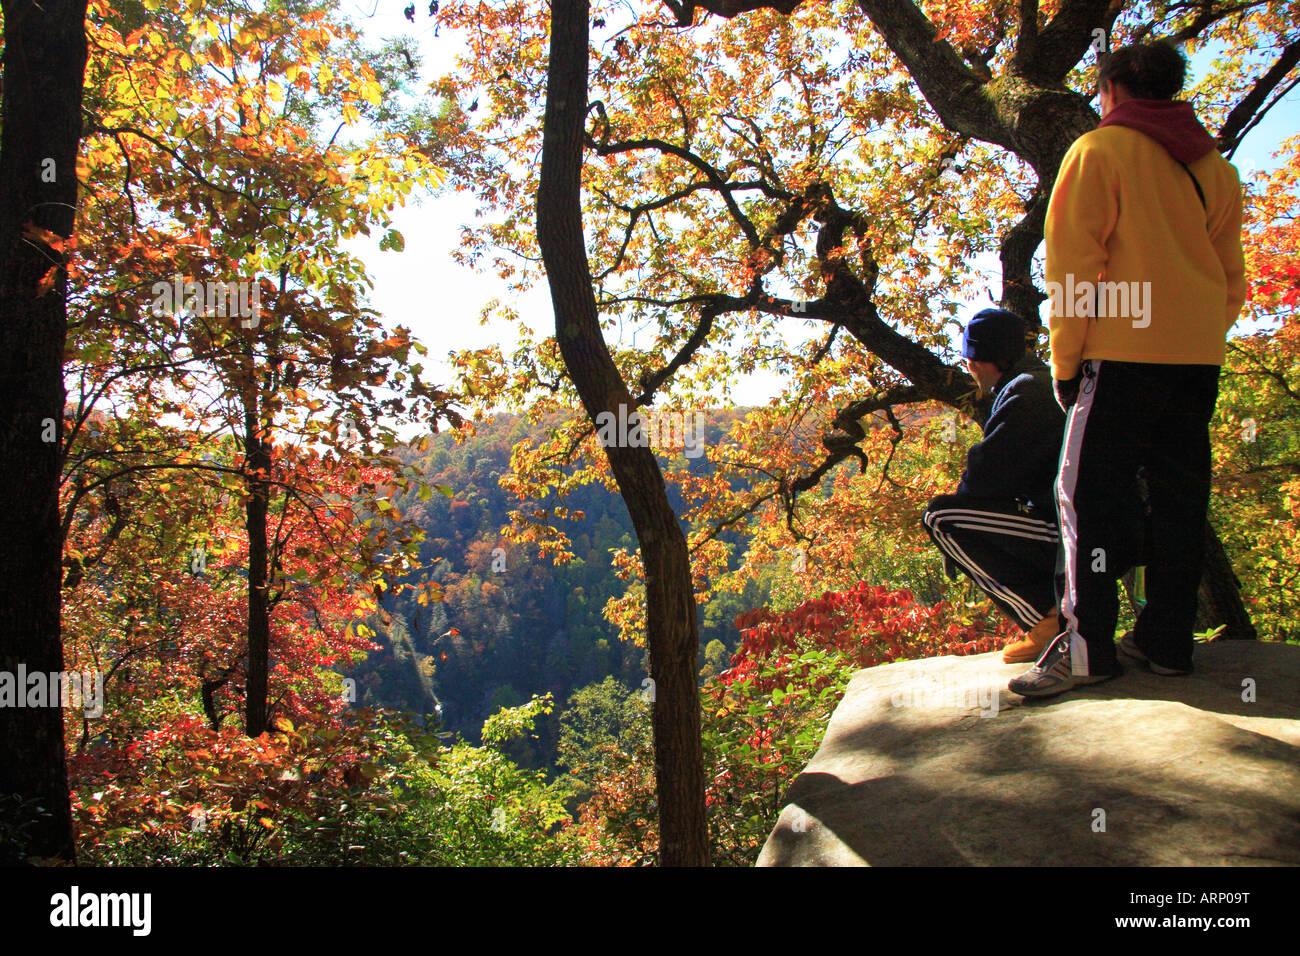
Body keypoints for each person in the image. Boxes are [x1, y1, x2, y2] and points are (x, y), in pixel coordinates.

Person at [1009, 40, 1246, 698]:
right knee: (1179, 499)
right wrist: (1193, 332)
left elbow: (1073, 271)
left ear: (1112, 89)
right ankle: (1168, 643)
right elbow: (1232, 282)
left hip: (1121, 358)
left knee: (1086, 499)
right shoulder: (1212, 168)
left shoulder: (1098, 152)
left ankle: (1086, 652)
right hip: (1195, 362)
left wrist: (1066, 361)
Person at [922, 308, 1066, 663]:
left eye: (970, 359)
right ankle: (1059, 615)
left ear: (982, 360)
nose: (969, 368)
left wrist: (960, 535)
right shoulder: (1039, 381)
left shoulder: (1026, 393)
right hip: (1083, 527)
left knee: (942, 518)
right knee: (955, 516)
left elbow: (986, 475)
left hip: (1074, 533)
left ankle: (1053, 623)